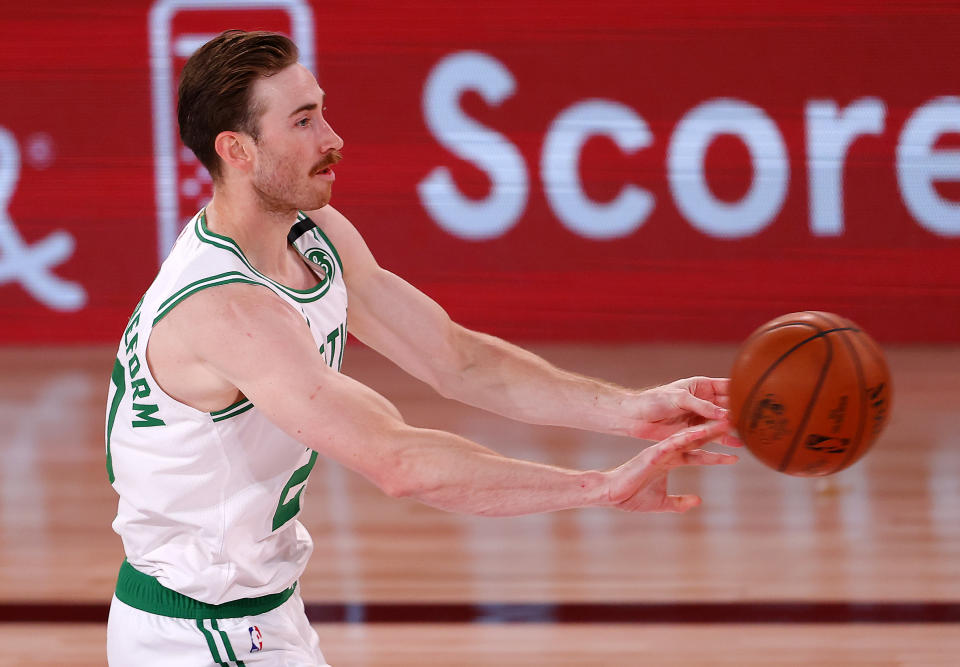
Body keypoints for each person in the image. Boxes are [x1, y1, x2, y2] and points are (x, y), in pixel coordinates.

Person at [104, 29, 741, 666]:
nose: (332, 139)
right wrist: (599, 488)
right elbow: (398, 461)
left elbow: (457, 359)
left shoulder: (314, 235)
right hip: (193, 636)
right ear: (237, 150)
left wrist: (632, 411)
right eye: (302, 121)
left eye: (321, 111)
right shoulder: (225, 307)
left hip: (263, 615)